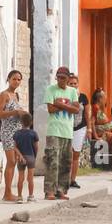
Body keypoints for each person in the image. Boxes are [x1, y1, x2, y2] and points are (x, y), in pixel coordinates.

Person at [42, 66, 79, 201]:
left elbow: (76, 109)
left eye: (63, 78)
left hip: (67, 131)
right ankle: (49, 191)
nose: (61, 80)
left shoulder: (72, 91)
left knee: (66, 161)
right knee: (53, 160)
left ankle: (61, 189)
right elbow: (51, 109)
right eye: (58, 77)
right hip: (54, 130)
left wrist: (60, 104)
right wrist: (67, 107)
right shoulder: (50, 90)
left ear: (68, 79)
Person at [0, 70, 25, 202]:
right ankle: (7, 193)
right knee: (11, 161)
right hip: (7, 132)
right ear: (8, 79)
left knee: (13, 162)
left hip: (17, 133)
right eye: (14, 79)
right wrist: (14, 112)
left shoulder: (16, 95)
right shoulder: (4, 95)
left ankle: (8, 192)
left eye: (19, 79)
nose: (17, 82)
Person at [68, 73, 91, 190]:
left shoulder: (83, 97)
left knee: (76, 154)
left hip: (80, 127)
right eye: (71, 83)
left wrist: (89, 128)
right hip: (67, 127)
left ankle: (73, 179)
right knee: (68, 154)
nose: (73, 85)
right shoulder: (66, 96)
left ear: (78, 84)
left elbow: (87, 114)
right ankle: (65, 179)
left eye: (75, 83)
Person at [12, 112, 38, 202]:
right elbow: (36, 146)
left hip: (20, 158)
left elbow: (14, 147)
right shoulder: (33, 134)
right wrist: (35, 156)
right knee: (30, 178)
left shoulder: (17, 134)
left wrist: (20, 155)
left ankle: (19, 197)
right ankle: (31, 196)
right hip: (31, 156)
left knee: (21, 178)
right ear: (31, 122)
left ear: (21, 122)